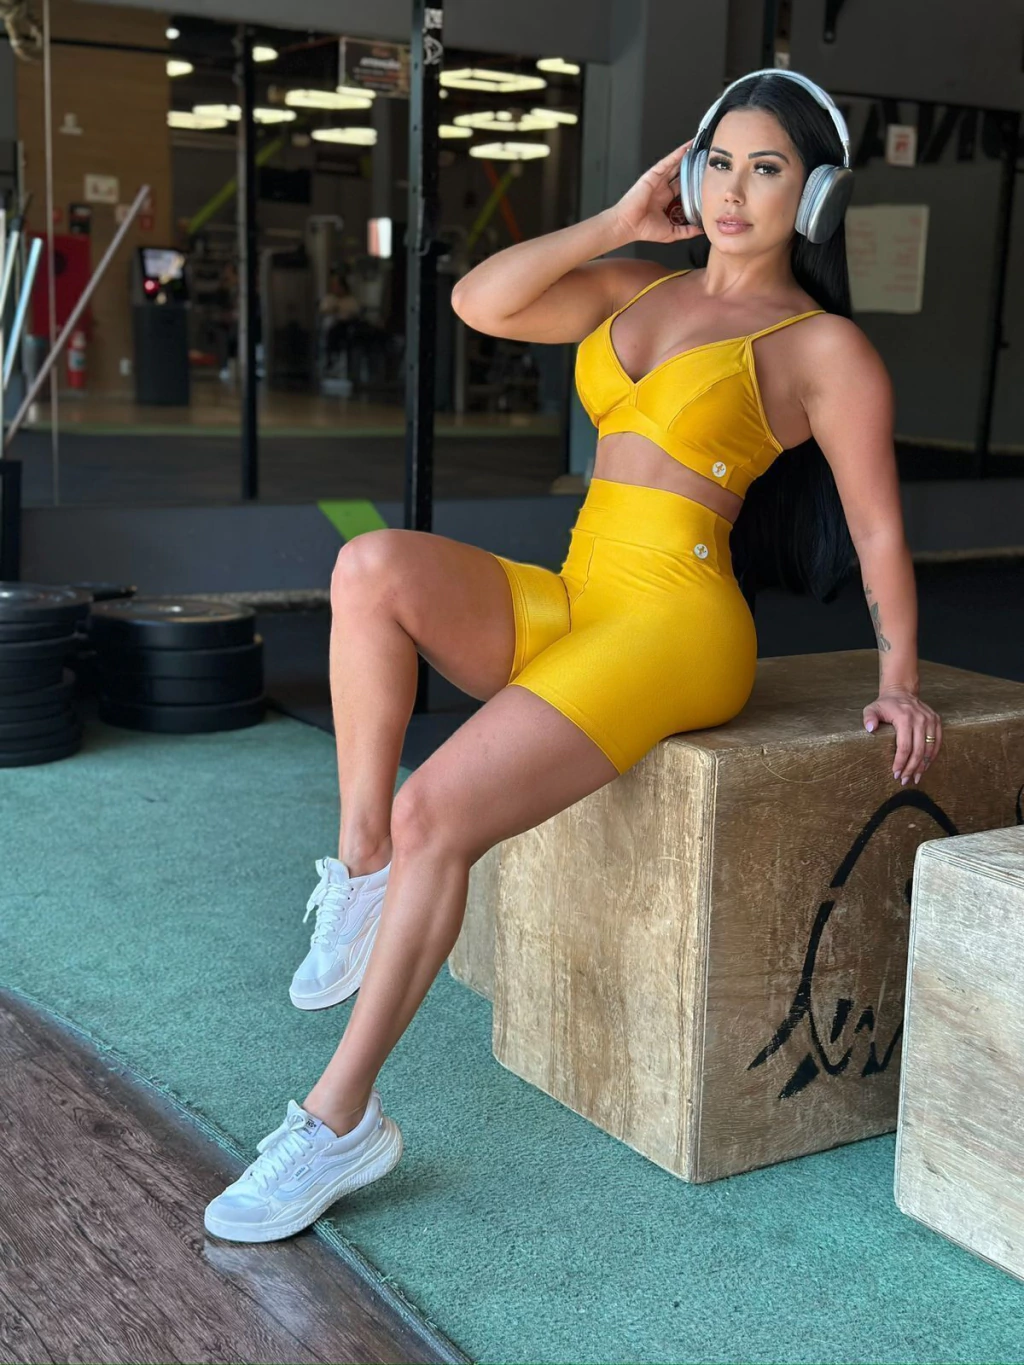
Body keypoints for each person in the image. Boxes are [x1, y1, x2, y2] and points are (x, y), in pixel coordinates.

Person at [204, 69, 944, 1243]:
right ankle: (361, 862)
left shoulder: (821, 347)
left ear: (814, 198)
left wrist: (898, 679)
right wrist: (614, 220)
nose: (732, 190)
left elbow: (878, 531)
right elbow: (479, 302)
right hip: (580, 593)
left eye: (765, 169)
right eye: (717, 161)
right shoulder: (634, 287)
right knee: (370, 567)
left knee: (438, 808)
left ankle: (338, 1120)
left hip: (677, 623)